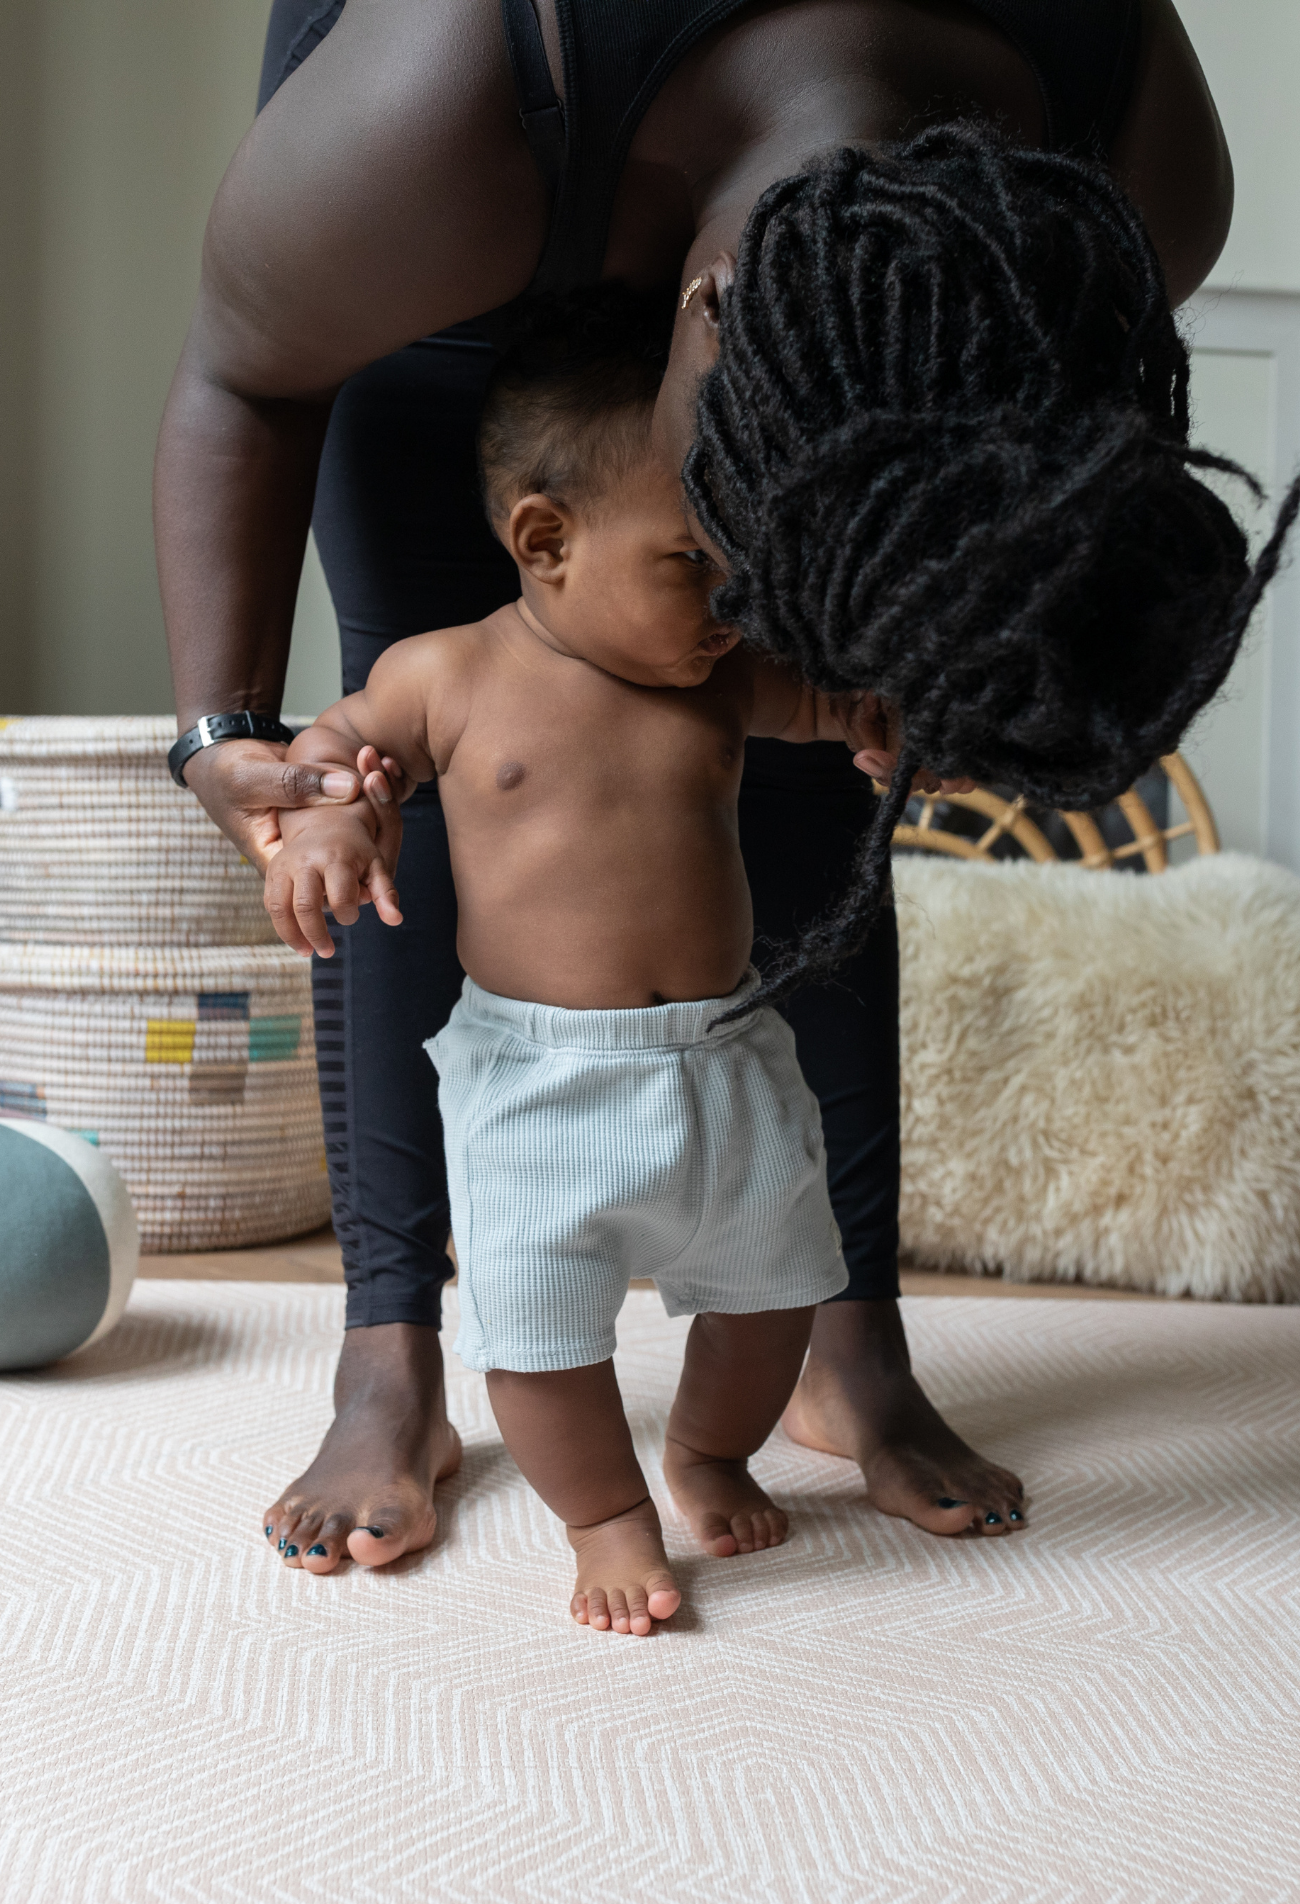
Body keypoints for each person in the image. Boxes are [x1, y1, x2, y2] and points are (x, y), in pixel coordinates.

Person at [155, 0, 1275, 1573]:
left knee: (799, 755)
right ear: (705, 304)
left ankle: (849, 1336)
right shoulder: (446, 96)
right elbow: (242, 378)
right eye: (727, 547)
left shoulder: (1129, 157)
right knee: (442, 768)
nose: (735, 610)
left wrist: (911, 679)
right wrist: (225, 738)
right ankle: (391, 1346)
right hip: (484, 211)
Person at [262, 311, 903, 1630]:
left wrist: (880, 724)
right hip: (542, 1088)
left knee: (777, 1294)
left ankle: (711, 1450)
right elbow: (338, 743)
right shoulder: (449, 672)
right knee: (544, 1346)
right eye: (691, 567)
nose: (730, 609)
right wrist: (326, 817)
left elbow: (834, 703)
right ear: (544, 541)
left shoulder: (720, 680)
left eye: (743, 574)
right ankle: (605, 1516)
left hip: (728, 1064)